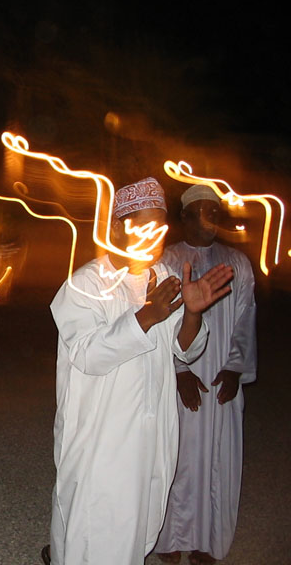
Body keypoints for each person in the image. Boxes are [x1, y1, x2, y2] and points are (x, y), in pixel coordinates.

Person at [42, 178, 234, 565]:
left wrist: (192, 314)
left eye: (160, 227)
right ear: (115, 229)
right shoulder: (86, 285)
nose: (155, 237)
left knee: (138, 528)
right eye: (143, 226)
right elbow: (89, 355)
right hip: (102, 440)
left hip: (152, 434)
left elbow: (185, 350)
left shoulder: (165, 277)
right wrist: (146, 315)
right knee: (92, 531)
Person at [154, 185, 257, 565]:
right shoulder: (165, 261)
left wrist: (234, 367)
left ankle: (207, 540)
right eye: (200, 211)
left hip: (220, 379)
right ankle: (169, 538)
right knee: (177, 455)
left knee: (217, 455)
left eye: (214, 211)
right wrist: (178, 370)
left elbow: (245, 318)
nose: (209, 218)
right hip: (180, 377)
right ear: (183, 217)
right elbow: (159, 324)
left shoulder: (237, 263)